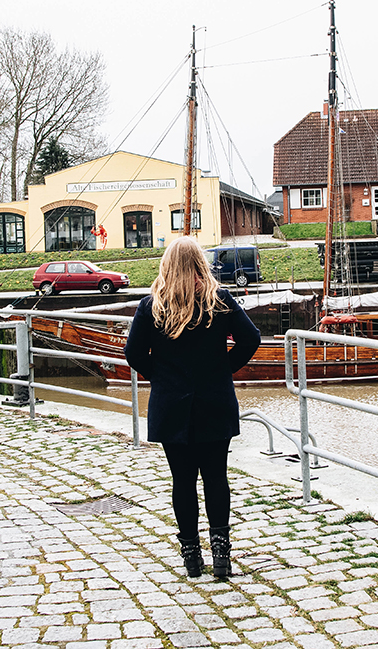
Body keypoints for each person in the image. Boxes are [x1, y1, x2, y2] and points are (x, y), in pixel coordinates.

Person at [124, 236, 260, 579]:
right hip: (214, 400)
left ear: (167, 265)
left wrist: (162, 378)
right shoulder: (220, 301)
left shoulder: (152, 306)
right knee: (216, 477)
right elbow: (251, 339)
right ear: (201, 264)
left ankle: (190, 557)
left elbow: (133, 355)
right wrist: (223, 369)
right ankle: (221, 555)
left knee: (182, 480)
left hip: (172, 405)